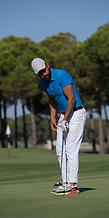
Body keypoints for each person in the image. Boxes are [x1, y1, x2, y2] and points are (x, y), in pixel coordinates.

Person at [31, 58, 86, 195]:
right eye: (40, 73)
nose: (44, 74)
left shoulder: (62, 75)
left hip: (76, 113)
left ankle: (73, 185)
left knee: (70, 149)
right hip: (63, 115)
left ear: (47, 65)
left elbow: (71, 99)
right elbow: (52, 99)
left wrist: (66, 119)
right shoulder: (43, 84)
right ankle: (66, 183)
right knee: (60, 150)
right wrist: (53, 117)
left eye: (44, 70)